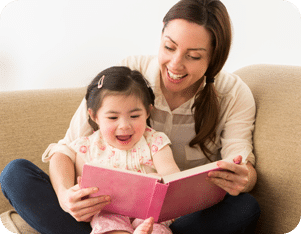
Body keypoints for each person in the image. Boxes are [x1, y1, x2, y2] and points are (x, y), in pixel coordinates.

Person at [0, 0, 261, 233]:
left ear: (214, 58)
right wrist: (66, 198)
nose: (175, 65)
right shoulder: (129, 75)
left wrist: (242, 177)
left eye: (193, 56)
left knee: (244, 207)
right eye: (169, 47)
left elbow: (241, 163)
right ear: (161, 36)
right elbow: (66, 149)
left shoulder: (233, 94)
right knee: (15, 174)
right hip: (101, 213)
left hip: (174, 219)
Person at [70, 66, 179, 234]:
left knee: (156, 228)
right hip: (109, 213)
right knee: (107, 225)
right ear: (94, 116)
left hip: (149, 214)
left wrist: (159, 179)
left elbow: (174, 181)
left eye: (134, 116)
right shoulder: (87, 148)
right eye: (113, 118)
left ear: (148, 112)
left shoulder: (155, 142)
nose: (124, 126)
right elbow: (83, 194)